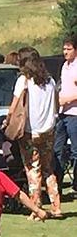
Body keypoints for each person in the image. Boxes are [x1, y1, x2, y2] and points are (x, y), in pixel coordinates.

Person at [6, 46, 61, 219]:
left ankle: (36, 208)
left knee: (32, 169)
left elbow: (13, 106)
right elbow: (56, 104)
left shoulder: (24, 80)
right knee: (48, 168)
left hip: (30, 131)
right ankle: (56, 206)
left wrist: (8, 121)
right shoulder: (50, 81)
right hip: (49, 129)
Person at [54, 35, 77, 195]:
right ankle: (57, 184)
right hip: (62, 114)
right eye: (64, 49)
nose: (65, 52)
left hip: (74, 113)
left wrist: (68, 99)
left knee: (76, 151)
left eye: (69, 49)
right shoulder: (65, 66)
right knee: (57, 149)